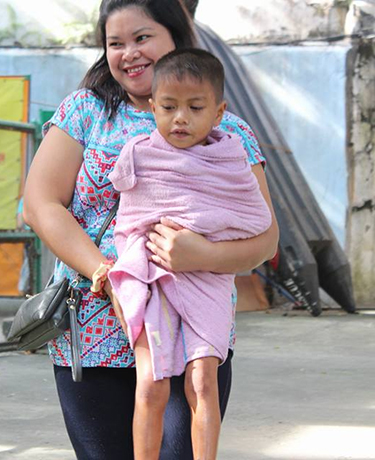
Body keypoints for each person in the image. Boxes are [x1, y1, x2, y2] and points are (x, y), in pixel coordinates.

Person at [23, 1, 279, 459]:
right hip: (94, 330)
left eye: (142, 38)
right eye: (115, 43)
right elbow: (40, 204)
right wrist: (108, 276)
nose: (128, 54)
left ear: (177, 36)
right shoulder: (87, 111)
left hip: (193, 330)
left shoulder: (230, 132)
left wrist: (199, 255)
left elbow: (265, 239)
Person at [106, 48, 273, 460]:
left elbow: (253, 220)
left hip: (207, 281)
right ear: (152, 107)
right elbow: (128, 219)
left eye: (195, 107)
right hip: (151, 279)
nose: (180, 118)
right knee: (151, 384)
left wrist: (203, 240)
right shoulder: (140, 154)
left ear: (218, 113)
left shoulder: (231, 157)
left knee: (202, 382)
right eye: (168, 106)